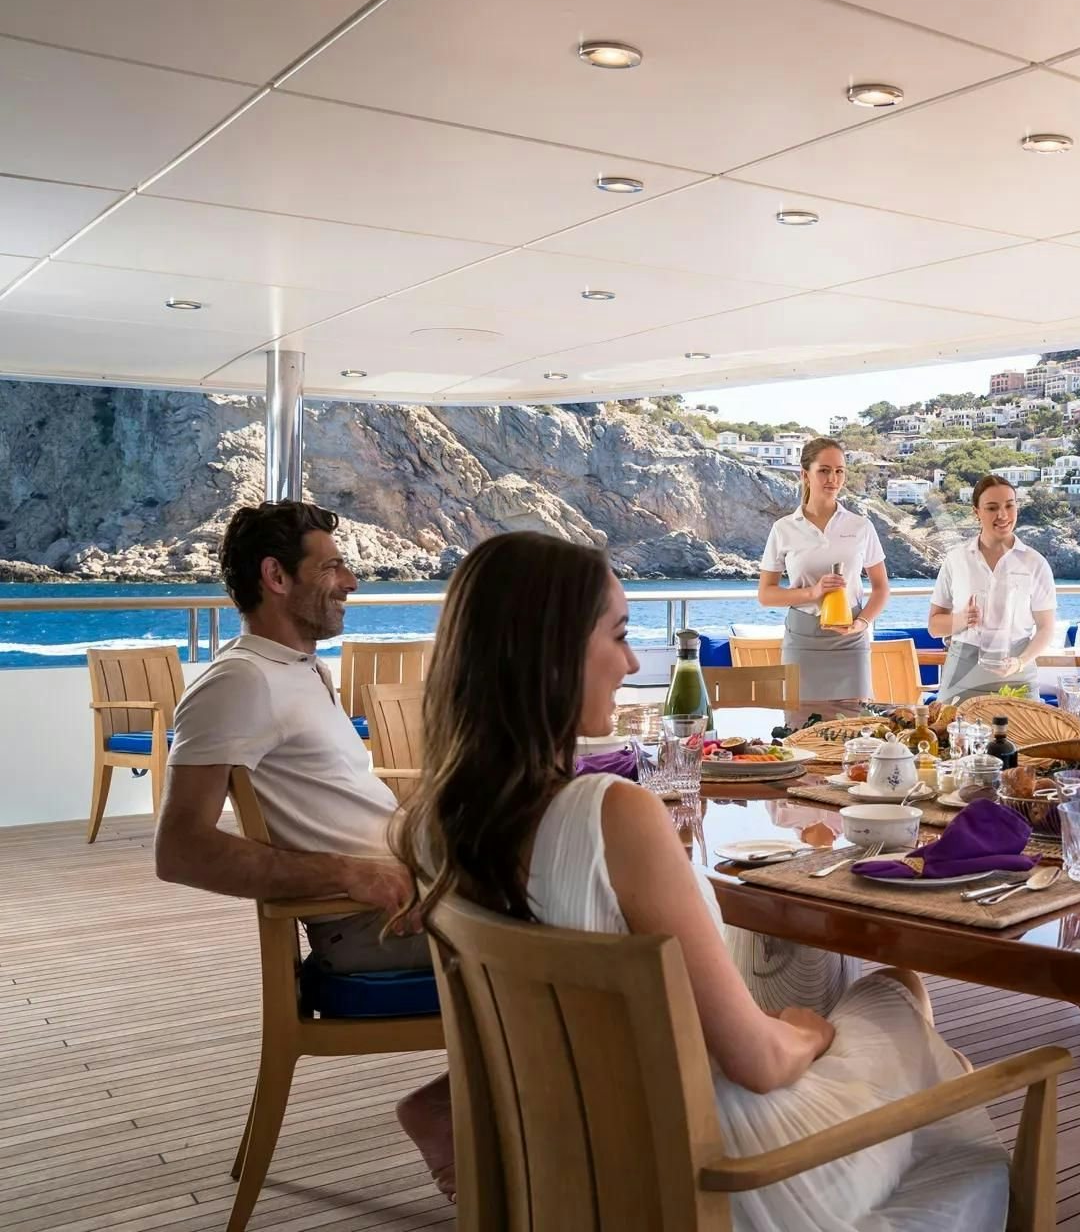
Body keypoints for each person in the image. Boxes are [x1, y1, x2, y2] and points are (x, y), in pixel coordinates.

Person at [394, 533, 1005, 1230]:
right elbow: (759, 1062)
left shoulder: (430, 822)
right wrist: (806, 1035)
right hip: (729, 1167)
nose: (630, 662)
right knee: (897, 996)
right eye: (619, 636)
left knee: (859, 994)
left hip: (590, 1140)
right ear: (550, 651)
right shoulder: (614, 814)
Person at [153, 502, 452, 1195]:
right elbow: (181, 849)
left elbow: (336, 800)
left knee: (579, 891)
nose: (350, 582)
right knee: (581, 945)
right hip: (363, 921)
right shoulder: (237, 682)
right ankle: (461, 1122)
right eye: (332, 566)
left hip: (403, 892)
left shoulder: (302, 669)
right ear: (275, 577)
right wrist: (353, 873)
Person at [756, 437, 890, 708]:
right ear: (806, 475)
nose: (833, 478)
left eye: (839, 471)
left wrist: (861, 623)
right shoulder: (784, 528)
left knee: (856, 732)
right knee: (799, 731)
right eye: (824, 470)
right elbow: (766, 595)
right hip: (802, 642)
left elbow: (881, 588)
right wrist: (812, 592)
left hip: (850, 642)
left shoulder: (861, 526)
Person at [927, 474, 1058, 701]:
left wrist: (1019, 662)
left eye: (1009, 505)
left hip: (1017, 674)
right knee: (949, 736)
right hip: (961, 675)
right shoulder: (956, 560)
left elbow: (1046, 628)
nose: (1003, 515)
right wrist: (962, 619)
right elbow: (934, 626)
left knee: (1029, 736)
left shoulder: (1035, 563)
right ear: (976, 512)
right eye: (992, 508)